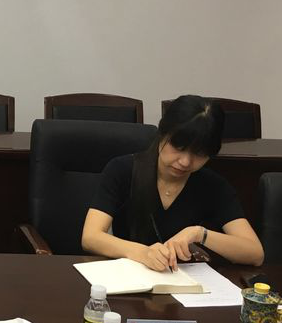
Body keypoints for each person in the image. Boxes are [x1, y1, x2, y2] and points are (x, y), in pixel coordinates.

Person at [82, 95, 263, 271]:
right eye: (178, 147)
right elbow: (90, 237)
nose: (185, 162)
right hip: (129, 278)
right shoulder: (123, 170)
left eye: (199, 153)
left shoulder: (213, 186)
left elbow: (255, 253)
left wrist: (199, 233)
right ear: (162, 133)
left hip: (183, 282)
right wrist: (143, 253)